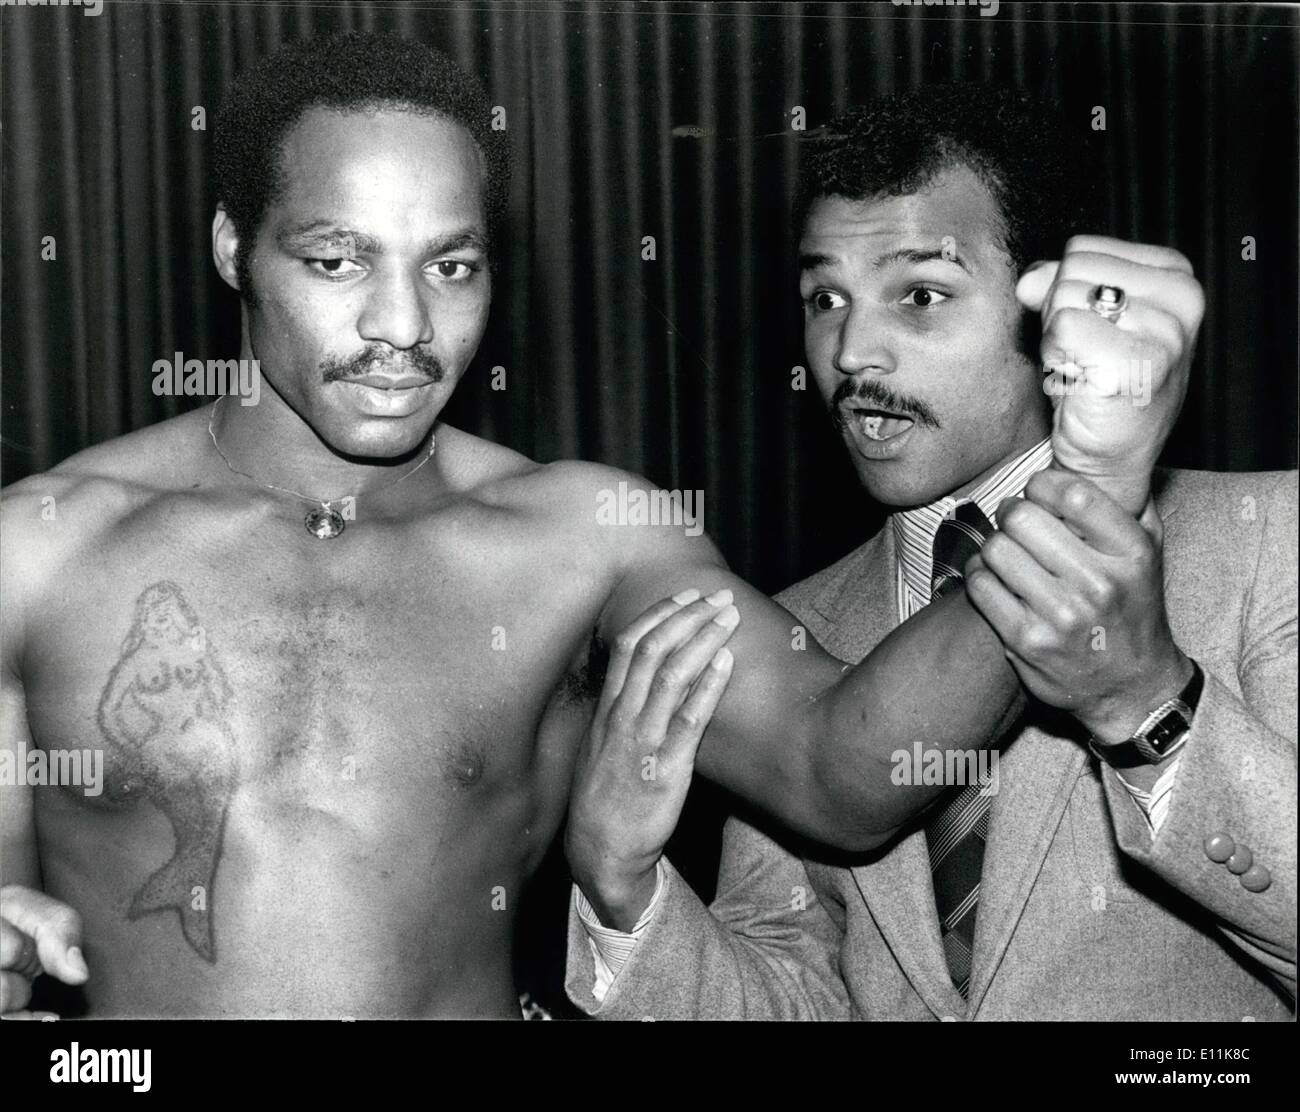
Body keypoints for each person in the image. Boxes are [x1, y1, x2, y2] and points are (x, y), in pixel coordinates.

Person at [0, 36, 1167, 1020]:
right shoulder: (38, 552)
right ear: (230, 249)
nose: (403, 325)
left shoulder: (587, 536)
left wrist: (1086, 478)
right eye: (337, 259)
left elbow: (841, 769)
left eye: (450, 266)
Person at [564, 87, 1296, 1020]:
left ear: (1050, 310)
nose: (853, 349)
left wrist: (1152, 706)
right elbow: (801, 995)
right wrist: (626, 895)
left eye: (920, 294)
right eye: (825, 296)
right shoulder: (797, 636)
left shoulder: (1270, 542)